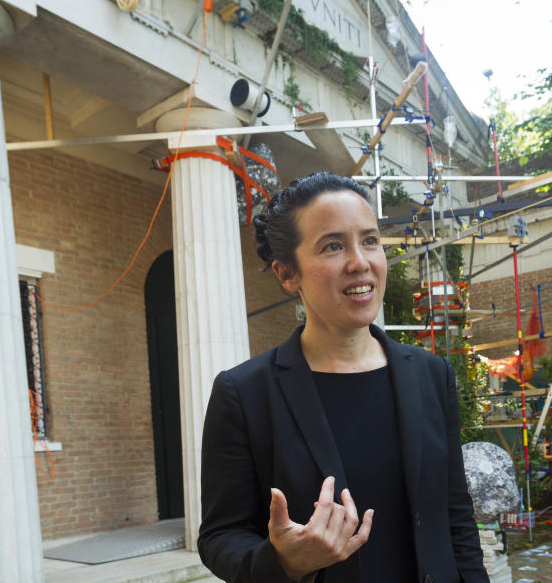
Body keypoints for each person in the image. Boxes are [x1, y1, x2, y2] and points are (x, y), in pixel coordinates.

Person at [198, 172, 487, 583]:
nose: (360, 262)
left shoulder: (431, 375)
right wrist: (285, 561)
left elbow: (455, 515)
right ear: (286, 274)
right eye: (333, 246)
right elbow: (219, 537)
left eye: (370, 240)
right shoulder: (244, 394)